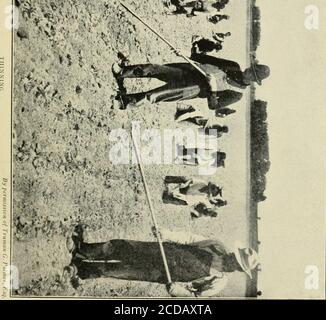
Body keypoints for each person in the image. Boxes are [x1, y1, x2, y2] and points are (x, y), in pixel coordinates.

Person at [66, 224, 259, 297]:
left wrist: (178, 291)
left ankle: (80, 271)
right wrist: (166, 233)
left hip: (161, 273)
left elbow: (196, 296)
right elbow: (189, 238)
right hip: (161, 251)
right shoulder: (216, 246)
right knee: (121, 247)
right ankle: (82, 250)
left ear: (238, 269)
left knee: (119, 271)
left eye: (237, 262)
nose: (233, 259)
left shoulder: (219, 281)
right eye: (236, 255)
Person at [112, 53, 270, 111]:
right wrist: (190, 55)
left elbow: (213, 106)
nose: (248, 70)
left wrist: (213, 89)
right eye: (252, 68)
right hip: (190, 70)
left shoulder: (237, 95)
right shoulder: (234, 66)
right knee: (155, 68)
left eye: (252, 73)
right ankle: (122, 73)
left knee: (156, 94)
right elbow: (210, 59)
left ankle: (125, 101)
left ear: (254, 80)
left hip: (193, 88)